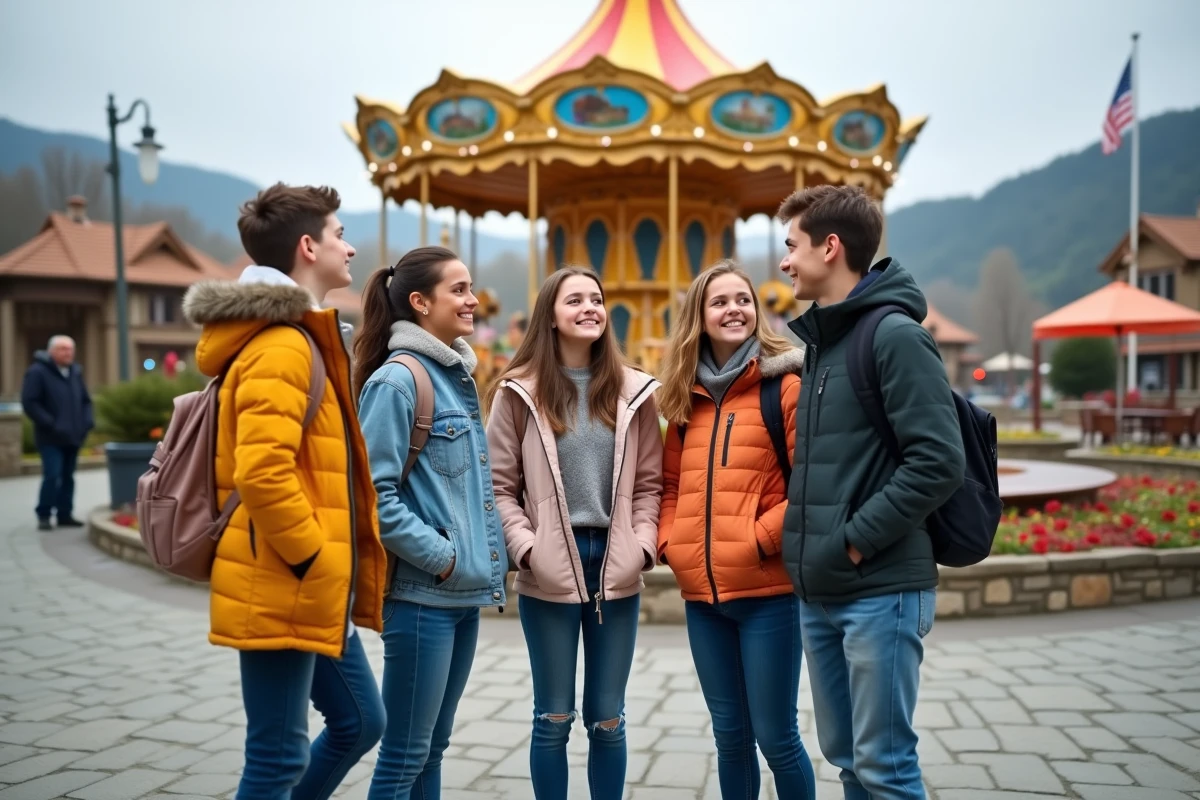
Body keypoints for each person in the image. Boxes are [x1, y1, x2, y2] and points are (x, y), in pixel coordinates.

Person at [182, 183, 388, 800]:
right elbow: (263, 472)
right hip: (287, 576)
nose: (349, 250)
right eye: (339, 235)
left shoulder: (295, 335)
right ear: (308, 246)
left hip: (305, 584)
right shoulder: (280, 345)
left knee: (360, 720)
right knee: (275, 758)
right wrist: (314, 559)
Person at [777, 184, 965, 800]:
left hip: (878, 590)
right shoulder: (822, 346)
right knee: (849, 761)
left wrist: (854, 544)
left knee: (884, 766)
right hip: (823, 591)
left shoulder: (894, 337)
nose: (783, 261)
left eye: (792, 245)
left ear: (830, 248)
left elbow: (938, 461)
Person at [484, 266, 663, 800]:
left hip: (615, 559)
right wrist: (526, 548)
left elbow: (652, 484)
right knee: (553, 716)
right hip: (549, 563)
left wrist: (644, 545)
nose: (590, 307)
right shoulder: (518, 394)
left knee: (608, 717)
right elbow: (498, 487)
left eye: (597, 298)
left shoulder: (634, 392)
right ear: (552, 317)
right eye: (575, 300)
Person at [353, 246, 509, 800]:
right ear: (420, 303)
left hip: (458, 598)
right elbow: (374, 496)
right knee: (404, 755)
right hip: (422, 598)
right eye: (459, 290)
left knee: (432, 748)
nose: (472, 300)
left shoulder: (454, 377)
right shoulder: (398, 382)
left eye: (471, 288)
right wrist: (443, 558)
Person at [656, 261, 815, 800]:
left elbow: (811, 488)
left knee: (778, 739)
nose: (733, 310)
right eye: (719, 301)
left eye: (742, 300)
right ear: (699, 316)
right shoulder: (684, 402)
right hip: (703, 600)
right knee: (730, 739)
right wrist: (669, 544)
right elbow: (669, 487)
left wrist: (759, 540)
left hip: (769, 595)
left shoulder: (784, 389)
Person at [21, 335, 92, 530]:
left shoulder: (74, 372)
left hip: (73, 436)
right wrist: (51, 423)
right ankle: (44, 514)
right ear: (51, 351)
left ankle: (64, 514)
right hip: (50, 437)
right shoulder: (37, 372)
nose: (67, 353)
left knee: (68, 477)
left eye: (70, 349)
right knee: (52, 475)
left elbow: (85, 401)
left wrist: (87, 422)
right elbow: (30, 402)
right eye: (63, 349)